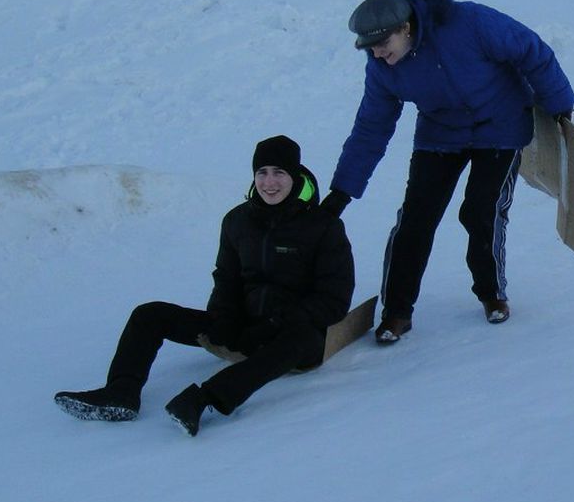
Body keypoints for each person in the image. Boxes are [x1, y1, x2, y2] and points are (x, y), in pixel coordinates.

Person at [322, 0, 574, 345]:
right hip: (440, 134)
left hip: (502, 126)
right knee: (415, 220)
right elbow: (371, 129)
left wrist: (558, 105)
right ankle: (397, 312)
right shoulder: (382, 69)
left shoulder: (470, 22)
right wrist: (342, 191)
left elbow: (531, 50)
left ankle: (492, 293)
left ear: (406, 27)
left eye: (382, 43)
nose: (377, 53)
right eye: (369, 47)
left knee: (481, 210)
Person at [54, 135, 355, 436]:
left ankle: (205, 399)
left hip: (296, 334)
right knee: (149, 314)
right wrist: (226, 319)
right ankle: (121, 393)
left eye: (279, 172)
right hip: (245, 325)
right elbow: (226, 278)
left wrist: (276, 323)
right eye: (262, 172)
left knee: (296, 341)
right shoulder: (237, 221)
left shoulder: (322, 226)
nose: (269, 182)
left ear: (295, 175)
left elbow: (334, 298)